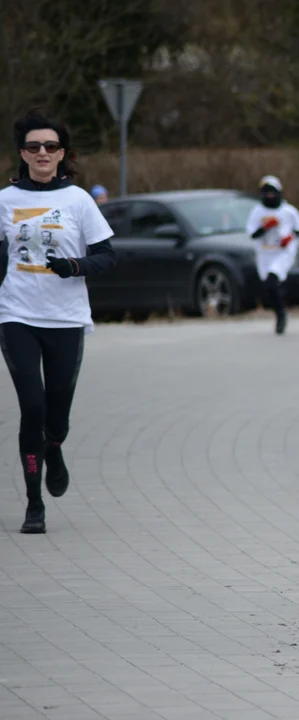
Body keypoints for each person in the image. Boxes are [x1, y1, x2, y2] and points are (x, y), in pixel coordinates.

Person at [0, 110, 118, 534]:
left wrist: (75, 265)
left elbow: (107, 255)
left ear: (62, 153)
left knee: (58, 418)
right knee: (32, 406)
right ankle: (34, 504)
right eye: (34, 146)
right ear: (23, 153)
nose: (42, 153)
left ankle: (54, 446)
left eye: (50, 146)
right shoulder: (5, 201)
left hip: (66, 319)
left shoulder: (78, 200)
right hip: (16, 315)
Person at [245, 175, 299, 335]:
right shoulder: (257, 211)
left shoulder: (288, 211)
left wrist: (289, 238)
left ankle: (281, 315)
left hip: (283, 252)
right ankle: (280, 309)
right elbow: (252, 233)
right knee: (269, 286)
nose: (270, 196)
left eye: (272, 193)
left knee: (273, 281)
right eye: (266, 193)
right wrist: (265, 228)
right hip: (265, 252)